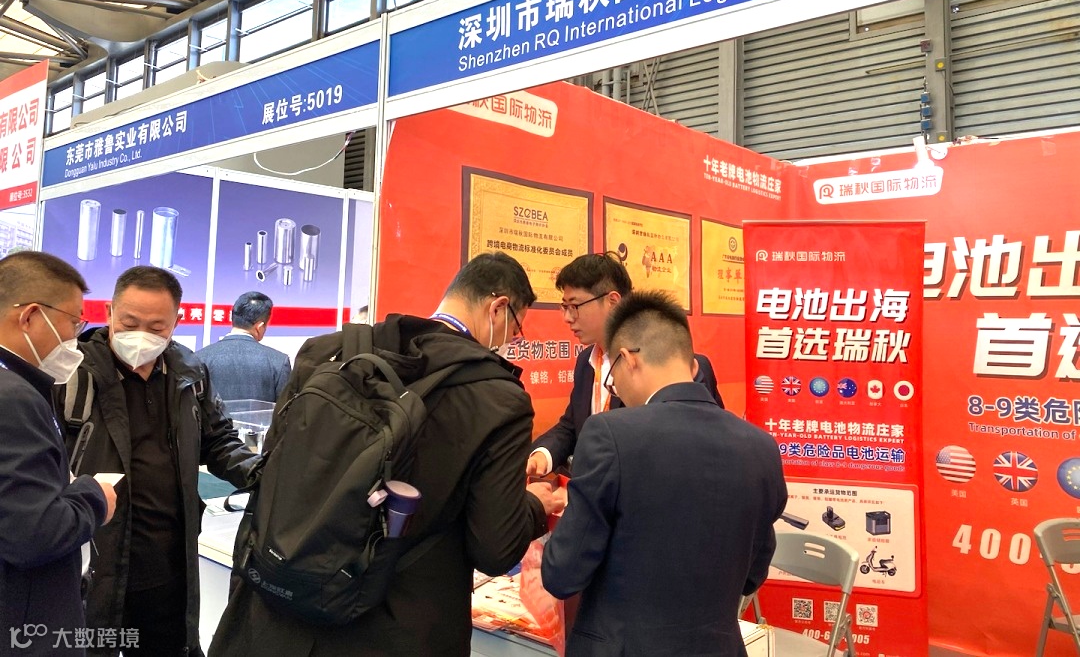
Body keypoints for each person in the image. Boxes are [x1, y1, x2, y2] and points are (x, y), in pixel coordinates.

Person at [210, 251, 565, 657]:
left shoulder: (328, 351)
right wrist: (535, 506)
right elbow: (495, 548)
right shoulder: (498, 398)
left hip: (273, 606)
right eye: (515, 328)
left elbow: (273, 467)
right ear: (497, 308)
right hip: (395, 628)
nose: (512, 341)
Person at [541, 290, 787, 656]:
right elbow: (752, 574)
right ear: (692, 367)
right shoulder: (761, 448)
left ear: (628, 359)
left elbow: (563, 573)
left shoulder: (610, 434)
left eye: (612, 376)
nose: (616, 388)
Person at [55, 266, 260, 657]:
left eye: (156, 327)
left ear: (176, 323)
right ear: (109, 312)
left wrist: (260, 472)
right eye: (129, 323)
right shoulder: (71, 373)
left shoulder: (189, 373)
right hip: (94, 564)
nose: (140, 335)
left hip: (169, 566)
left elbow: (217, 441)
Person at [0, 252, 116, 656]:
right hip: (26, 623)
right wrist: (94, 496)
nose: (74, 339)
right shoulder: (14, 398)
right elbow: (35, 534)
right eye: (73, 322)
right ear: (31, 316)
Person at [527, 252, 721, 477]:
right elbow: (572, 425)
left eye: (575, 306)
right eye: (564, 307)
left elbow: (686, 451)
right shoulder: (586, 362)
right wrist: (542, 455)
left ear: (612, 301)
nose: (568, 318)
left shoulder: (669, 366)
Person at [194, 291, 292, 403]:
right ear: (260, 327)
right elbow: (284, 411)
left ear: (233, 318)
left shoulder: (199, 358)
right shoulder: (279, 362)